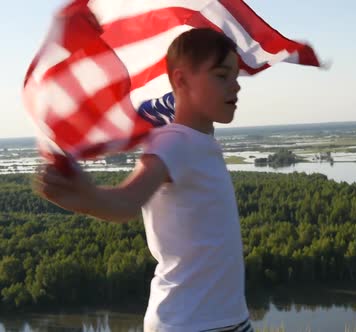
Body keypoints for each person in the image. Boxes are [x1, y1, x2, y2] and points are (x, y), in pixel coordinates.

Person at [34, 28, 252, 332]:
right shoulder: (173, 142)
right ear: (181, 80)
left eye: (235, 76)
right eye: (221, 76)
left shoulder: (198, 138)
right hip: (189, 324)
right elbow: (127, 201)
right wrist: (87, 197)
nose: (236, 86)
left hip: (228, 320)